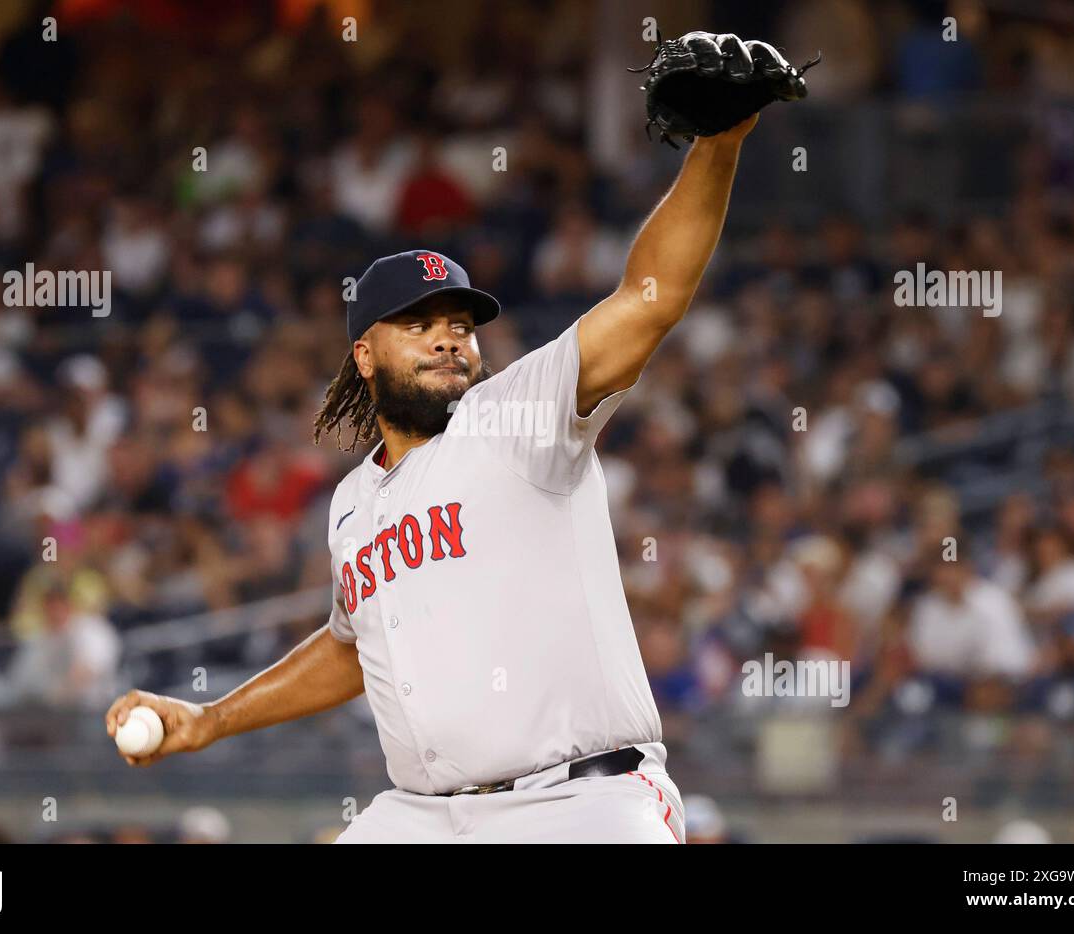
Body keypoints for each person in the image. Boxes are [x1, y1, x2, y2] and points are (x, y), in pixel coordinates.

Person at [106, 112, 764, 843]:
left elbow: (652, 297)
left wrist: (717, 145)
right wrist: (210, 718)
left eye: (460, 323)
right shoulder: (353, 502)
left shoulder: (516, 415)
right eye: (417, 324)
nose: (448, 336)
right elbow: (354, 648)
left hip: (579, 803)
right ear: (363, 355)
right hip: (423, 815)